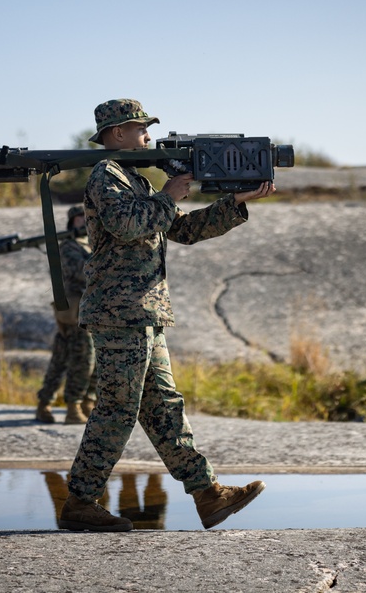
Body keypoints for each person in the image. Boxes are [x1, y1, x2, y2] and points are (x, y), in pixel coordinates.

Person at [59, 99, 272, 532]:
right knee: (118, 408)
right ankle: (81, 500)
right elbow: (126, 225)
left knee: (164, 409)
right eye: (142, 129)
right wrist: (167, 194)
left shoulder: (136, 180)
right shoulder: (108, 175)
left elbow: (184, 230)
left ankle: (208, 495)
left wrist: (236, 203)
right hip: (121, 313)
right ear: (117, 134)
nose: (149, 137)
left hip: (143, 313)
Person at [36, 205, 97, 425]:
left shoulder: (89, 244)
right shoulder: (69, 247)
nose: (83, 221)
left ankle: (79, 402)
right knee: (83, 360)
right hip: (74, 313)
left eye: (86, 217)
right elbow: (82, 273)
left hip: (87, 312)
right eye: (79, 218)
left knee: (63, 359)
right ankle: (73, 407)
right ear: (72, 222)